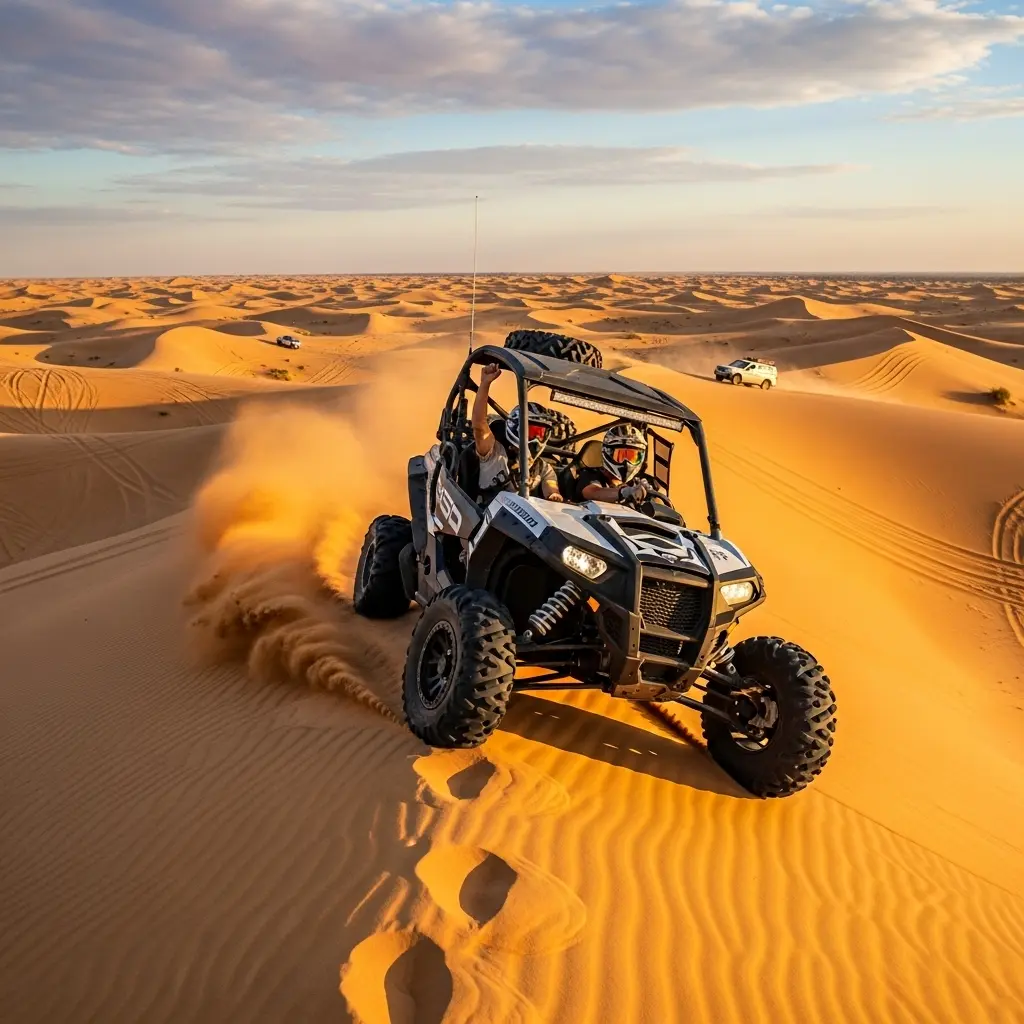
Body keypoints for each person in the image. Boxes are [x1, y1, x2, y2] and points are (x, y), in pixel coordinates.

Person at [472, 363, 565, 501]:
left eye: (541, 433)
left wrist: (554, 496)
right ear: (516, 427)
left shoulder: (543, 468)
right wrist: (485, 383)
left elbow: (551, 490)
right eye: (532, 431)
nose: (536, 439)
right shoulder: (494, 453)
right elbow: (479, 426)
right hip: (484, 516)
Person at [574, 423, 653, 504]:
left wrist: (648, 494)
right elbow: (592, 492)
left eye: (632, 457)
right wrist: (624, 492)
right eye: (620, 456)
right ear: (608, 453)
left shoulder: (636, 483)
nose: (627, 463)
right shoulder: (591, 475)